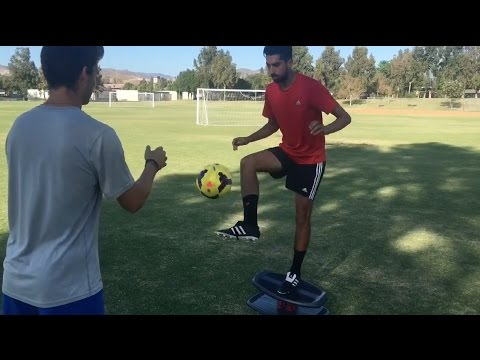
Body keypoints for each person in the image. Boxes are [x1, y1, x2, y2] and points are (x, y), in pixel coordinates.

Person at [2, 46, 167, 315]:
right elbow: (133, 201)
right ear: (83, 74)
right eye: (96, 70)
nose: (96, 78)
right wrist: (152, 165)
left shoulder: (19, 127)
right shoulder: (97, 135)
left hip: (15, 285)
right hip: (68, 291)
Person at [215, 46, 351, 295]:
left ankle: (294, 273)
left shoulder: (311, 87)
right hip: (288, 152)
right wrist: (248, 139)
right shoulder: (271, 90)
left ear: (289, 62)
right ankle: (250, 225)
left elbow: (344, 117)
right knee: (248, 163)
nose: (272, 71)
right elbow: (273, 124)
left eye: (276, 65)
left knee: (301, 217)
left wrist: (325, 130)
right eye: (268, 65)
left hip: (311, 160)